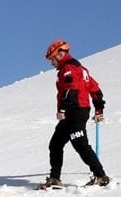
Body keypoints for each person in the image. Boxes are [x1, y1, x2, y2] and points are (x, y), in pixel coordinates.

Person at [40, 40, 110, 188]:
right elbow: (95, 88)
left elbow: (71, 91)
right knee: (55, 144)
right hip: (76, 110)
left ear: (60, 54)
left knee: (80, 144)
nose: (51, 63)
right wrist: (99, 109)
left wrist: (63, 109)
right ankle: (55, 178)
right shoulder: (81, 69)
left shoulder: (69, 68)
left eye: (52, 59)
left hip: (76, 111)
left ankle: (101, 176)